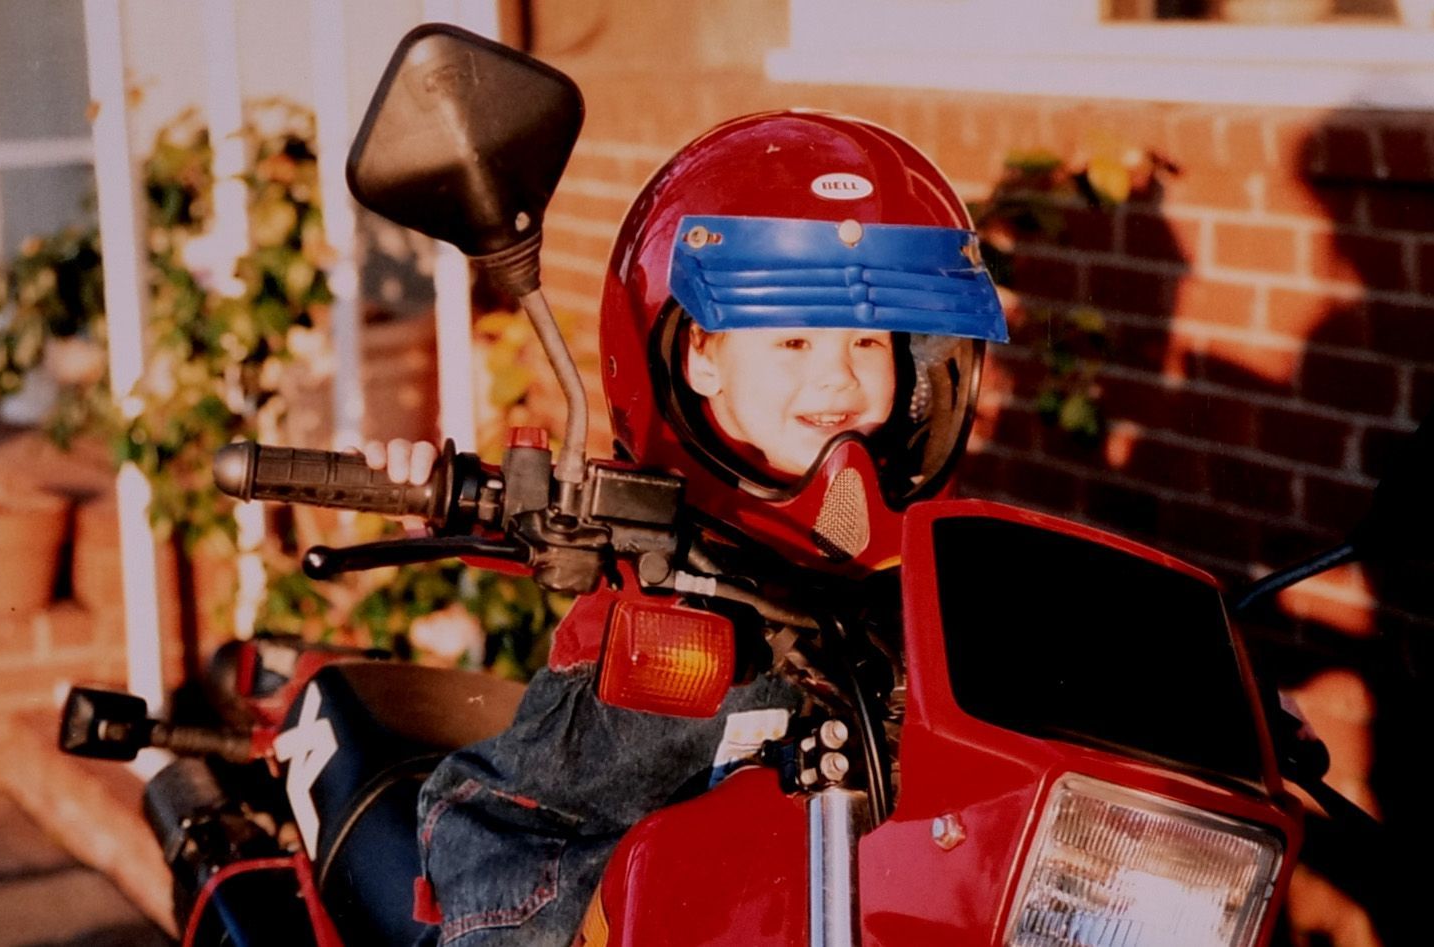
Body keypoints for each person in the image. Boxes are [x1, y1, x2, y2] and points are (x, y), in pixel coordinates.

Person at [366, 110, 1008, 946]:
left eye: (866, 341)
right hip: (567, 864)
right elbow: (539, 511)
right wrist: (438, 488)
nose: (837, 377)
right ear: (700, 356)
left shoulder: (908, 550)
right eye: (792, 339)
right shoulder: (650, 511)